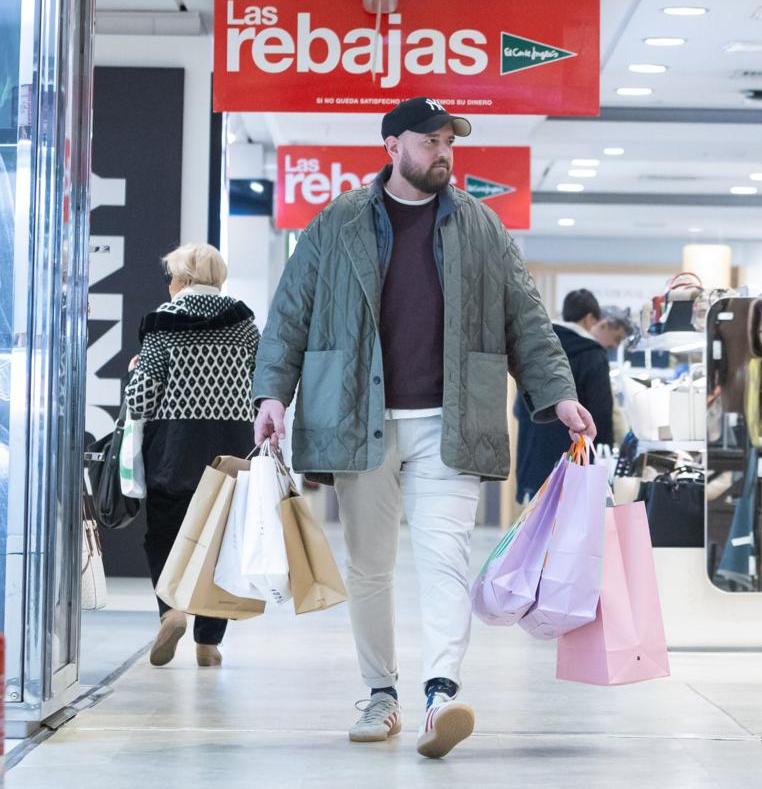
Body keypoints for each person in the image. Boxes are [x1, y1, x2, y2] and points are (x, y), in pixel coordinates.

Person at [251, 97, 593, 759]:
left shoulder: (481, 226)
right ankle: (381, 694)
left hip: (452, 418)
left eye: (448, 141)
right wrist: (272, 393)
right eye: (430, 140)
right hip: (358, 414)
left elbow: (526, 316)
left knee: (444, 558)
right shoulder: (339, 221)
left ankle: (440, 694)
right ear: (393, 146)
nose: (443, 152)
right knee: (370, 565)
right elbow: (290, 310)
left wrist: (560, 395)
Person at [125, 243, 260, 668]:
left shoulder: (162, 326)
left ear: (182, 281)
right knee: (222, 545)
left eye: (171, 277)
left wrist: (133, 374)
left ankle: (172, 612)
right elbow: (263, 387)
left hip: (174, 449)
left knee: (163, 535)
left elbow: (142, 397)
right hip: (232, 450)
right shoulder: (245, 327)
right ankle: (208, 642)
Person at [514, 289, 616, 504]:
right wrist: (605, 456)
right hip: (574, 464)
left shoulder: (538, 349)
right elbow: (601, 413)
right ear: (589, 319)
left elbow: (519, 408)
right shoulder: (592, 354)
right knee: (571, 531)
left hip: (533, 460)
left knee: (537, 530)